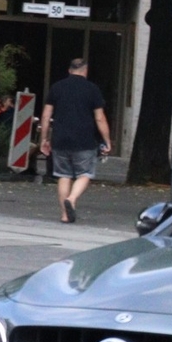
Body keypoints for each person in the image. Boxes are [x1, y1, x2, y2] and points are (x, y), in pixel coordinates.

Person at [45, 57, 111, 223]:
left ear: (69, 70)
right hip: (84, 140)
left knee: (63, 175)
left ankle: (65, 215)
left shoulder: (57, 87)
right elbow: (100, 118)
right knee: (85, 174)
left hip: (60, 139)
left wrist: (44, 139)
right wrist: (107, 140)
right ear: (85, 71)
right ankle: (72, 199)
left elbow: (46, 116)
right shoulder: (92, 89)